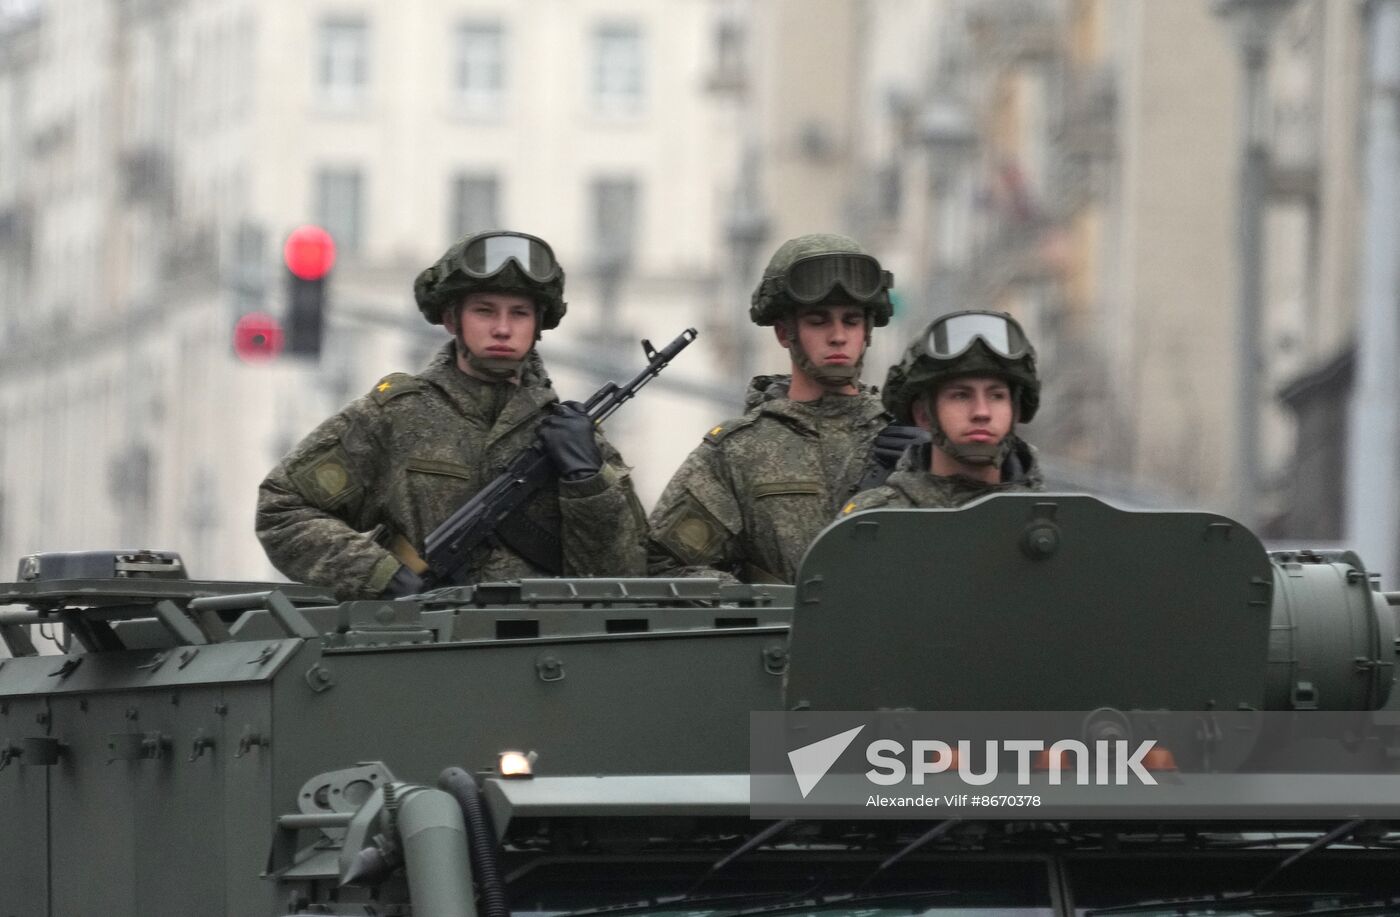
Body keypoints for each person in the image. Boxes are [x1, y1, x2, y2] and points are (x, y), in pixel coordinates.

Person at [257, 230, 647, 600]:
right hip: (424, 647)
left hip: (548, 652)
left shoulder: (576, 437)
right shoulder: (397, 416)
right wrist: (381, 577)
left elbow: (626, 580)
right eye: (484, 311)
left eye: (520, 314)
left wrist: (588, 480)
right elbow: (283, 508)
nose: (502, 328)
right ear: (450, 319)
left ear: (538, 324)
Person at [647, 233, 920, 583]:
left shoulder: (910, 441)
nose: (838, 336)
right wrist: (756, 608)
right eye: (818, 321)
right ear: (783, 333)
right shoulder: (738, 452)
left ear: (867, 331)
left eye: (851, 321)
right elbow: (664, 565)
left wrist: (932, 474)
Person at [842, 309, 1044, 513]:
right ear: (923, 414)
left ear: (1015, 410)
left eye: (996, 396)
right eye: (961, 396)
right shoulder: (873, 519)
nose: (982, 412)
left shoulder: (1055, 517)